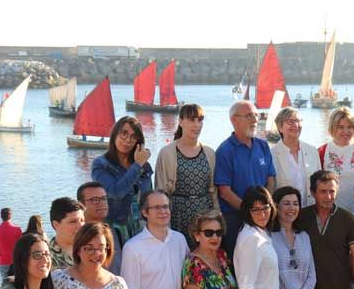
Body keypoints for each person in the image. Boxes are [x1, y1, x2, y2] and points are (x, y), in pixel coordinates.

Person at [214, 100, 276, 257]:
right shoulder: (224, 151)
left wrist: (263, 208)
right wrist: (251, 212)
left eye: (256, 115)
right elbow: (225, 192)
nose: (255, 120)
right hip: (236, 219)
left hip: (262, 218)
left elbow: (271, 178)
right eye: (249, 116)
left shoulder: (263, 146)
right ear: (234, 120)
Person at [154, 104, 218, 248]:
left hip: (205, 216)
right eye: (192, 120)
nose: (197, 125)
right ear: (181, 121)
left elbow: (214, 191)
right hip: (178, 215)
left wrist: (216, 216)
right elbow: (160, 190)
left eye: (200, 120)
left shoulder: (209, 153)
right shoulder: (167, 153)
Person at [91, 116, 153, 248]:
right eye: (124, 133)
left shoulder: (144, 166)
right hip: (114, 231)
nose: (128, 140)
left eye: (133, 136)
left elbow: (149, 198)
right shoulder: (101, 164)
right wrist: (137, 165)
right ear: (115, 134)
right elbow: (116, 192)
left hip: (142, 229)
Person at [271, 107, 321, 206]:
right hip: (285, 212)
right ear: (280, 127)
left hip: (310, 209)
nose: (295, 125)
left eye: (298, 121)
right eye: (290, 121)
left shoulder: (312, 151)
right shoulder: (271, 155)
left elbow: (319, 182)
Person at [77, 181, 123, 275]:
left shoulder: (116, 233)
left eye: (104, 198)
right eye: (95, 200)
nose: (102, 203)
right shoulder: (76, 237)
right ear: (81, 205)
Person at [49, 197, 85, 270]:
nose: (80, 226)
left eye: (82, 220)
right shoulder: (46, 257)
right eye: (73, 222)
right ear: (56, 225)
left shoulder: (91, 250)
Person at [0, 208, 23, 280]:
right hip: (15, 261)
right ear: (10, 216)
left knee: (5, 283)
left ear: (1, 216)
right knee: (18, 282)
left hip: (3, 261)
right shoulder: (17, 229)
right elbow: (22, 246)